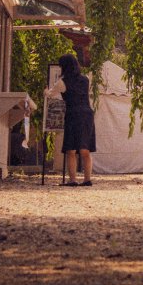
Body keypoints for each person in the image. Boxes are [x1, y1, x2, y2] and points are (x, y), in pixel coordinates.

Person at [47, 54, 96, 187]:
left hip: (73, 114)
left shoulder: (62, 82)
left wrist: (45, 91)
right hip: (87, 114)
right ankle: (87, 179)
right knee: (85, 149)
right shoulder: (85, 79)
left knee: (71, 149)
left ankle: (73, 180)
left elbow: (50, 94)